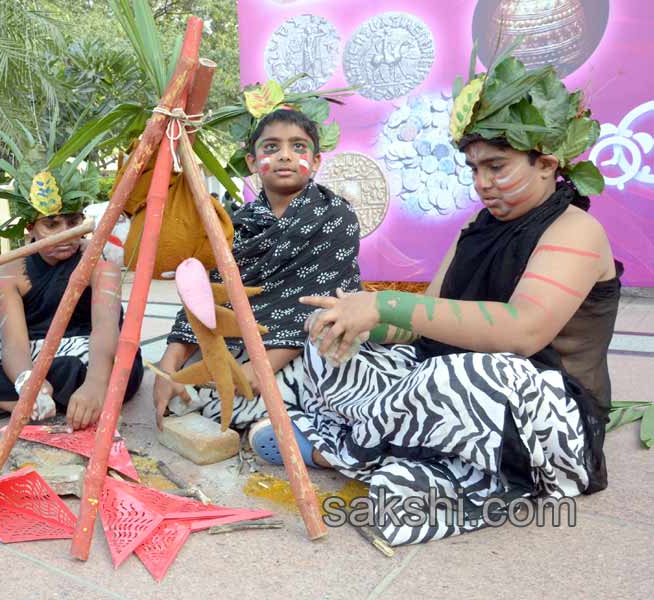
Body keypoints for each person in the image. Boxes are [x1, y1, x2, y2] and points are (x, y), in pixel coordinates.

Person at [257, 55, 620, 546]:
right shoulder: (476, 229)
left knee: (470, 373)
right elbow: (422, 325)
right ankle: (381, 446)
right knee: (325, 353)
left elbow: (523, 330)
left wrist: (384, 304)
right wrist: (358, 324)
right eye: (474, 168)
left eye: (497, 166)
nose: (482, 183)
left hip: (544, 415)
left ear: (547, 163)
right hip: (444, 386)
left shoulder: (577, 229)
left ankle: (333, 448)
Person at [153, 108, 361, 431]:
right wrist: (171, 362)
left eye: (298, 147)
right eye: (271, 147)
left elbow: (323, 306)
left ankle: (295, 427)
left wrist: (258, 372)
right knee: (191, 391)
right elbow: (206, 298)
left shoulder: (337, 218)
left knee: (340, 376)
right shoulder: (234, 227)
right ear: (252, 163)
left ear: (316, 161)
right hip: (245, 346)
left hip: (307, 348)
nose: (285, 156)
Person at [0, 174, 144, 430]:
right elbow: (14, 346)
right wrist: (26, 379)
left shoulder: (99, 262)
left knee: (106, 373)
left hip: (87, 352)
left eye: (73, 221)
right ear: (30, 228)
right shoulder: (10, 273)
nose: (66, 233)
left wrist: (95, 385)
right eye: (52, 225)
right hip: (32, 350)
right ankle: (19, 398)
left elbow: (106, 331)